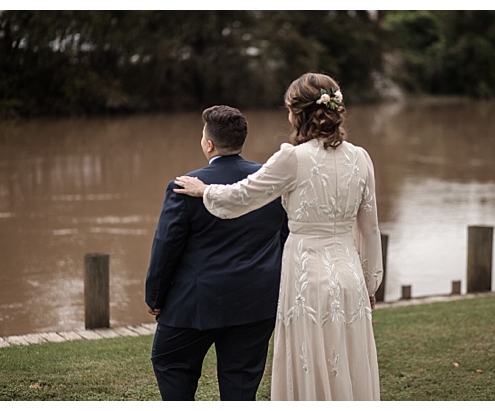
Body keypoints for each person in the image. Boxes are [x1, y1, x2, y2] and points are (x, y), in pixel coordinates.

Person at [172, 72, 383, 400]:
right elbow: (369, 229)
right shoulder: (361, 157)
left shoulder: (292, 158)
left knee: (309, 361)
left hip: (306, 277)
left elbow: (243, 196)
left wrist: (205, 190)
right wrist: (371, 284)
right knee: (346, 362)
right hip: (350, 277)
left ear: (297, 113)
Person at [144, 105, 288, 401]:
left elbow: (166, 247)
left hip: (195, 305)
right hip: (256, 303)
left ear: (208, 144)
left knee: (172, 363)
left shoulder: (184, 187)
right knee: (241, 382)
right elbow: (285, 237)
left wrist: (155, 299)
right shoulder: (271, 182)